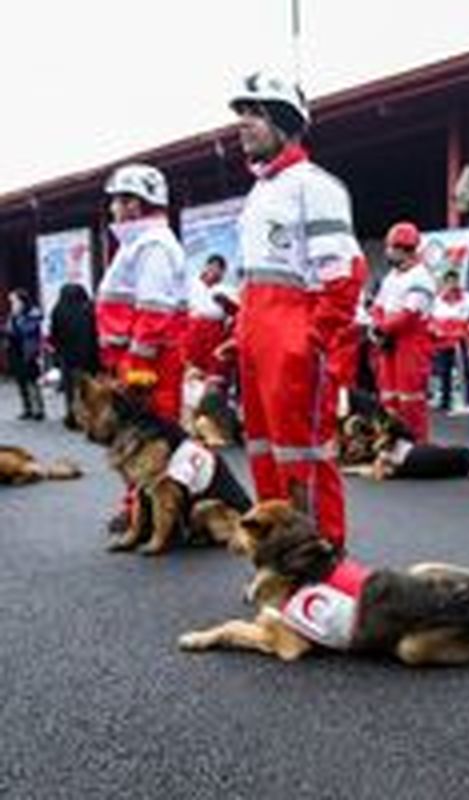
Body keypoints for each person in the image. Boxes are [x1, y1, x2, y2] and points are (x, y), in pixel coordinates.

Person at [230, 70, 366, 548]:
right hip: (257, 336)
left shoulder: (314, 185)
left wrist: (311, 339)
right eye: (241, 113)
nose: (242, 123)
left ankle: (320, 556)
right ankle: (277, 552)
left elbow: (344, 273)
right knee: (265, 452)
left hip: (293, 341)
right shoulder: (260, 192)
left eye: (255, 113)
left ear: (285, 123)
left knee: (304, 455)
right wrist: (242, 332)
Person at [99, 163, 188, 422]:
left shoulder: (152, 245)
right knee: (144, 428)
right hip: (137, 358)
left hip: (148, 362)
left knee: (152, 427)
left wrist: (138, 366)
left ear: (134, 204)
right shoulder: (138, 243)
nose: (112, 208)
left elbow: (154, 309)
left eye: (116, 200)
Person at [371, 221, 436, 443]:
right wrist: (378, 326)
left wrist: (381, 328)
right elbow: (378, 306)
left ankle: (417, 447)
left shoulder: (420, 277)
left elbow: (410, 315)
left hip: (411, 343)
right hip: (390, 341)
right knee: (388, 397)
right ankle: (392, 446)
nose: (387, 252)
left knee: (411, 399)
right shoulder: (392, 277)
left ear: (403, 248)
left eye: (391, 247)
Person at [48, 283, 100, 428]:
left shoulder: (58, 310)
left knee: (71, 389)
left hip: (68, 358)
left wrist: (59, 351)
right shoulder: (89, 309)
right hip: (90, 357)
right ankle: (92, 417)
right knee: (90, 388)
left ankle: (74, 417)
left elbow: (54, 335)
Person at [430, 270, 469, 412]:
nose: (451, 284)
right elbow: (431, 320)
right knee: (443, 372)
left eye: (454, 281)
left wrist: (468, 334)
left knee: (464, 372)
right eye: (449, 281)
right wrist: (436, 330)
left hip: (460, 341)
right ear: (444, 283)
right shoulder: (437, 300)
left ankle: (466, 401)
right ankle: (445, 400)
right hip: (442, 342)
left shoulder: (466, 298)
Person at [185, 254, 232, 385]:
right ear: (205, 267)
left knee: (213, 371)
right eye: (212, 266)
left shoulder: (228, 290)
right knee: (190, 369)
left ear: (223, 273)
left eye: (219, 268)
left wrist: (225, 302)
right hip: (193, 330)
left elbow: (234, 312)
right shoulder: (191, 284)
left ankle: (210, 400)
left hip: (215, 332)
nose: (214, 270)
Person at [5, 289, 45, 420]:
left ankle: (38, 409)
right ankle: (27, 408)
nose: (12, 305)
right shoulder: (13, 315)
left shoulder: (32, 314)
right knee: (21, 380)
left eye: (14, 301)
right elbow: (9, 330)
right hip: (16, 351)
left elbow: (26, 330)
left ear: (22, 301)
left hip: (28, 351)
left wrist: (16, 320)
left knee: (32, 380)